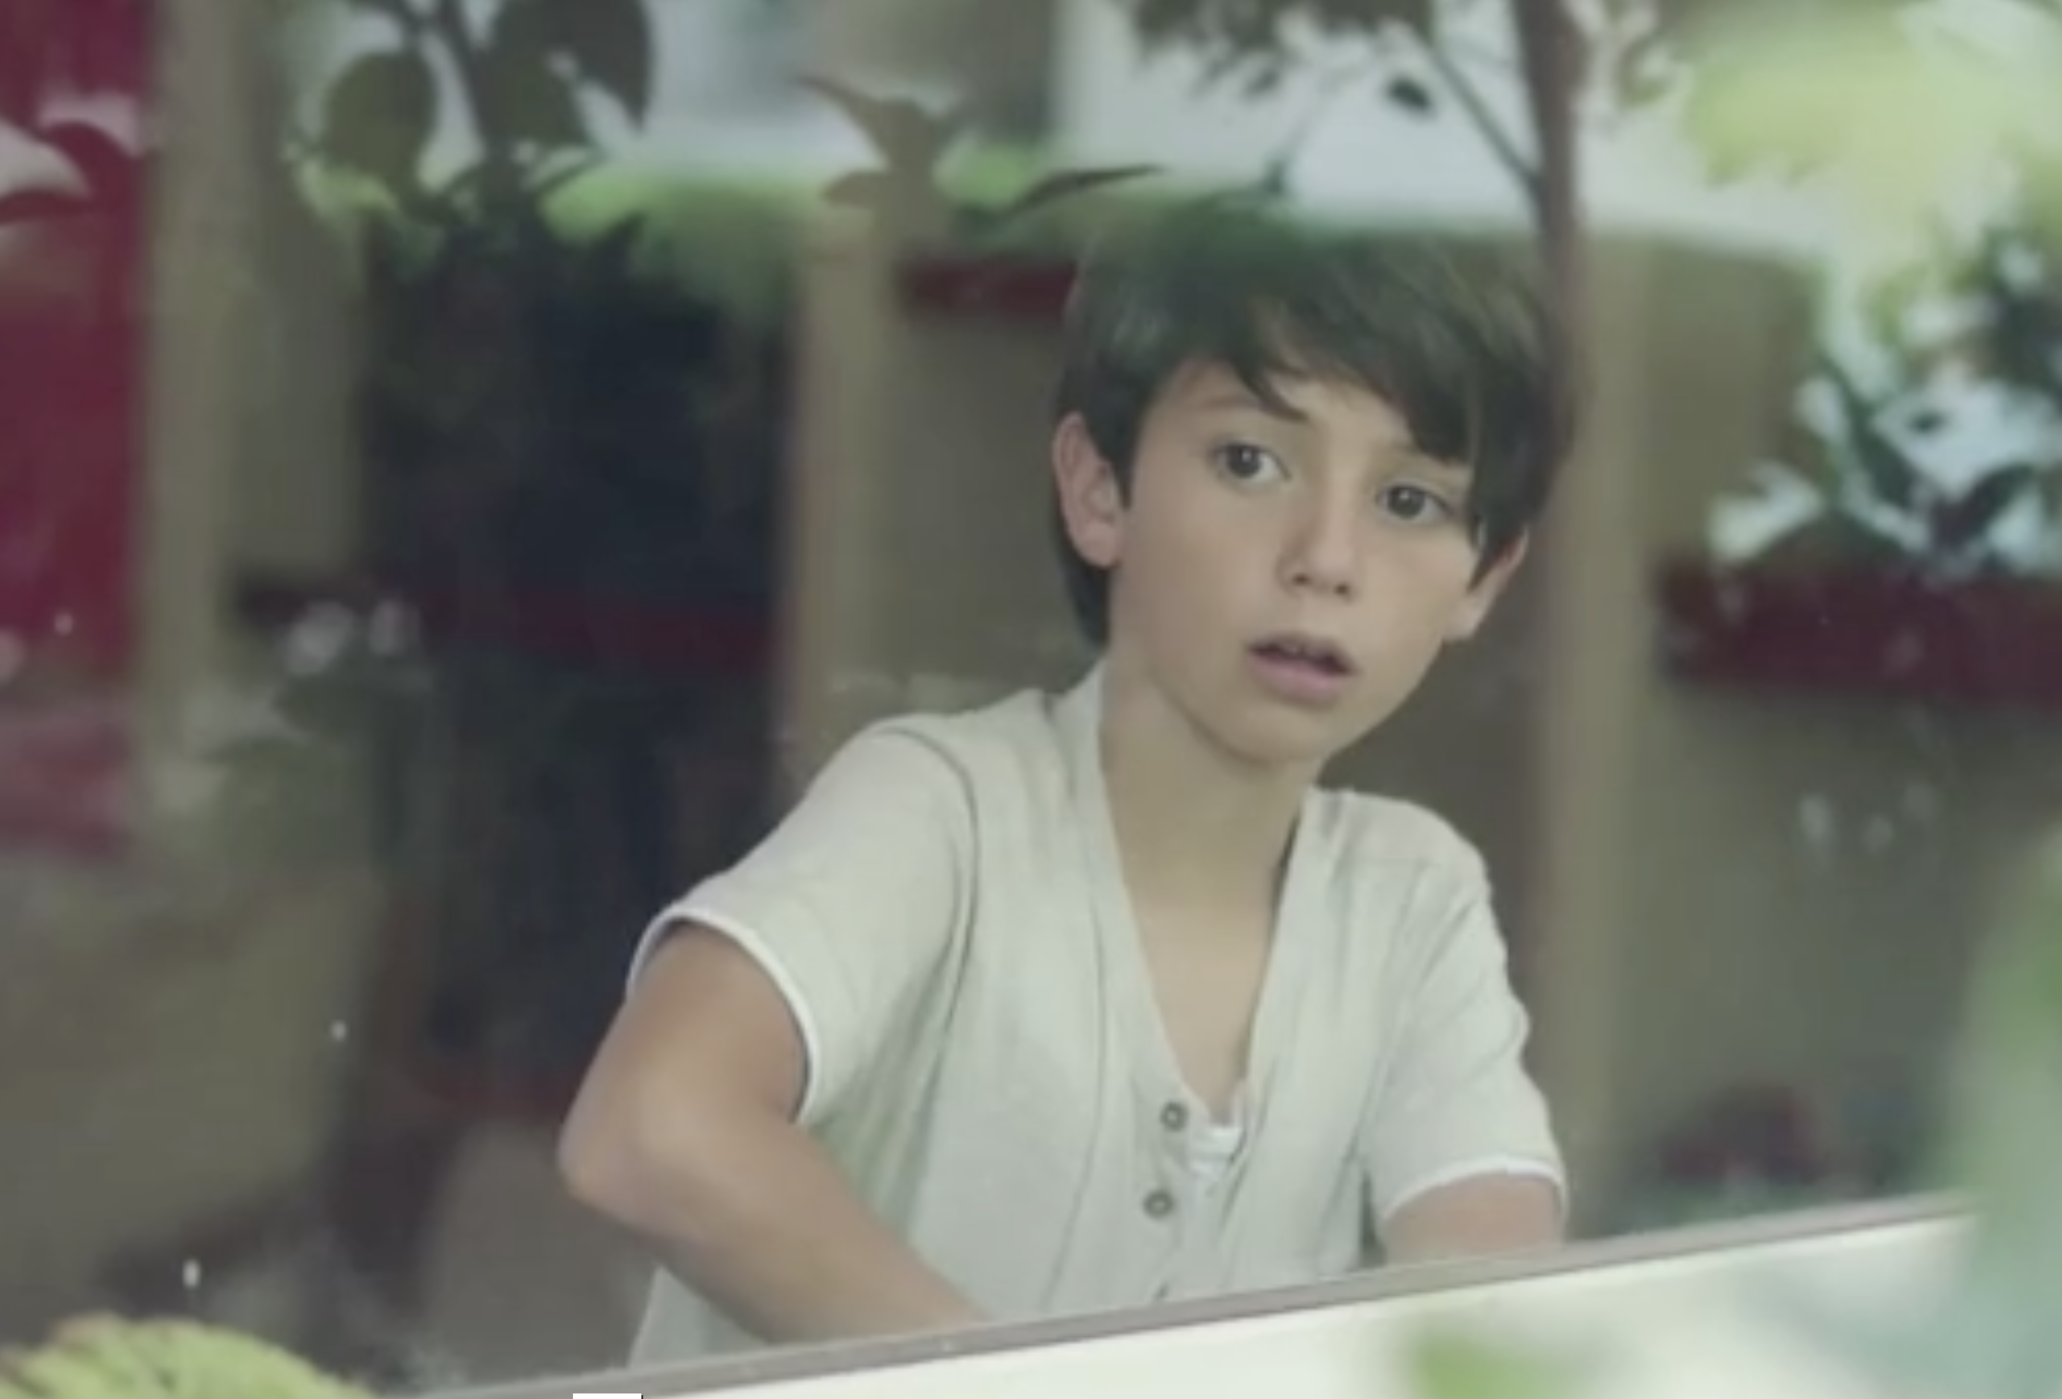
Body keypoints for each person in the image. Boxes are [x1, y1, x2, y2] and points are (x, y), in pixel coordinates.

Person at [558, 201, 1574, 1365]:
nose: (1325, 559)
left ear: (1482, 577)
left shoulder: (1411, 900)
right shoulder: (938, 813)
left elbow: (1491, 1307)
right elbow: (650, 1126)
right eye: (1248, 460)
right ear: (1100, 490)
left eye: (1408, 500)